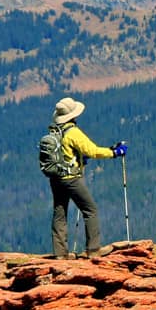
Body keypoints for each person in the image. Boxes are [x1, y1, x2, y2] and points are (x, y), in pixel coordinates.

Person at [45, 97, 126, 258]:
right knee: (90, 210)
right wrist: (114, 152)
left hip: (56, 179)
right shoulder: (73, 132)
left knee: (59, 213)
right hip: (72, 178)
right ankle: (93, 250)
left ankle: (60, 254)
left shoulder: (54, 132)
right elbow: (92, 151)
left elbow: (65, 154)